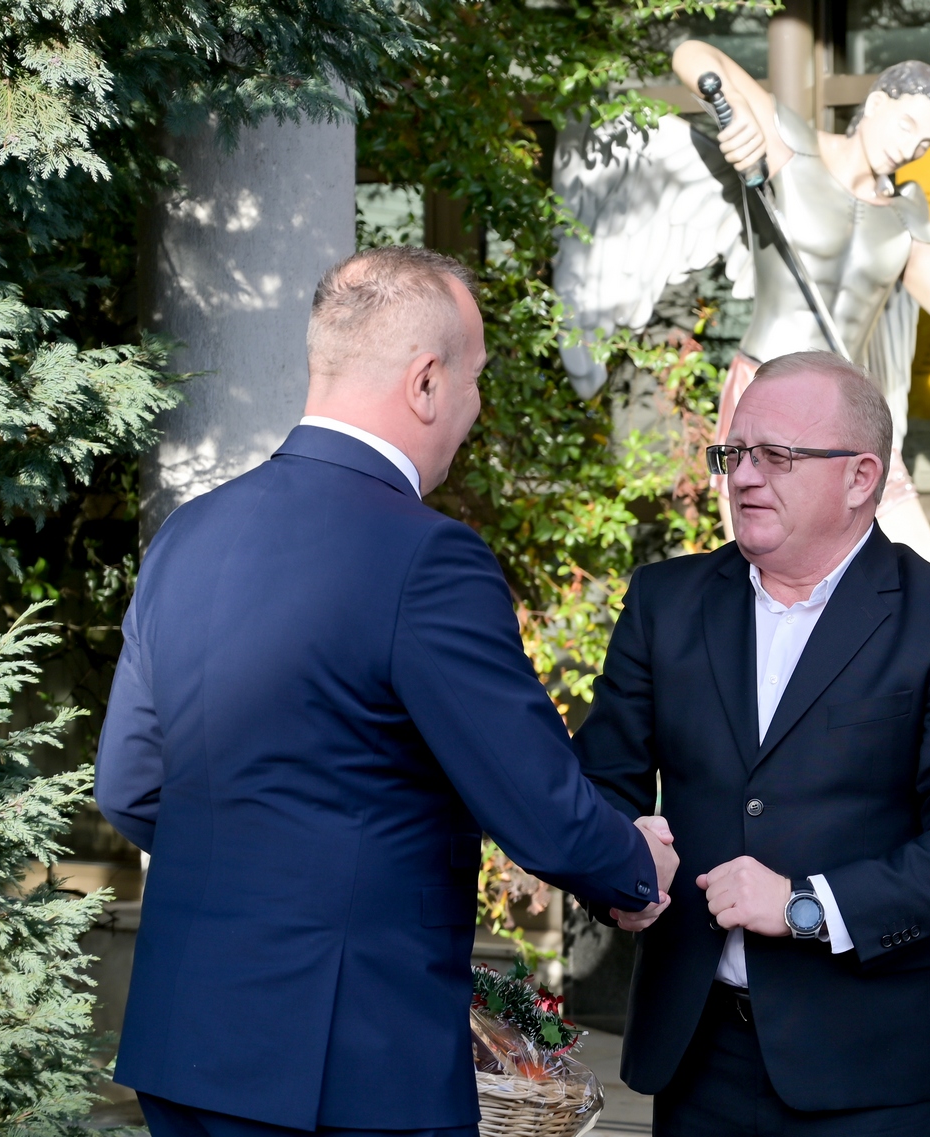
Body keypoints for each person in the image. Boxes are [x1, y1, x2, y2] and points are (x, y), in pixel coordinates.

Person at [94, 246, 679, 1137]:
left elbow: (130, 785)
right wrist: (636, 865)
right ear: (427, 381)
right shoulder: (428, 557)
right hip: (345, 1058)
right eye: (476, 380)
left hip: (184, 1038)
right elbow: (540, 807)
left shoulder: (187, 534)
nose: (475, 408)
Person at [574, 350, 930, 1136]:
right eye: (734, 453)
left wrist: (807, 905)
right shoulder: (665, 603)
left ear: (860, 478)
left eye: (776, 456)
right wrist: (620, 870)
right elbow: (598, 785)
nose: (744, 477)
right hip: (695, 1061)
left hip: (868, 1073)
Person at [667, 43, 930, 565]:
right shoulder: (791, 146)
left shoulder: (903, 215)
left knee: (917, 562)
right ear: (875, 103)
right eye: (906, 125)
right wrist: (738, 116)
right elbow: (692, 53)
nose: (909, 148)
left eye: (925, 143)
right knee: (773, 567)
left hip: (844, 406)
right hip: (768, 392)